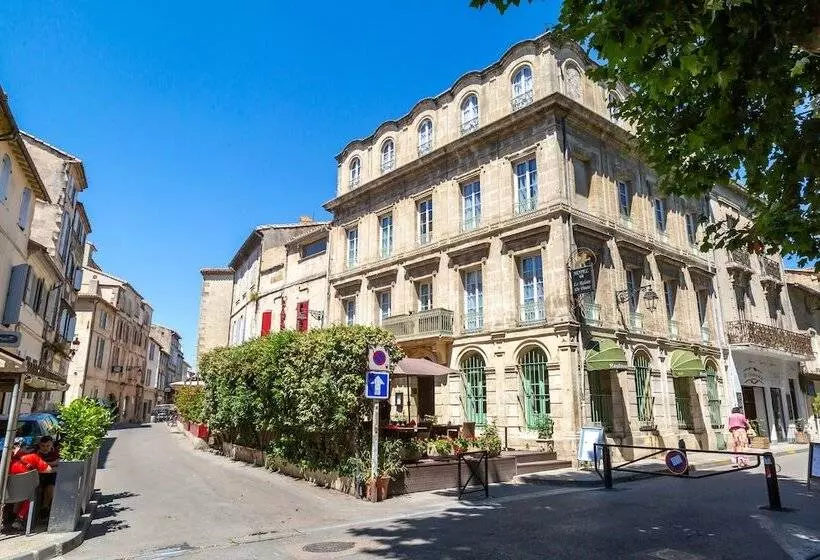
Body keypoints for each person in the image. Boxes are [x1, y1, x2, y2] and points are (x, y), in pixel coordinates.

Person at [7, 437, 53, 531]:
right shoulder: (32, 457)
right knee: (31, 492)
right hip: (24, 494)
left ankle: (10, 517)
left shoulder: (4, 460)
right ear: (25, 447)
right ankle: (20, 519)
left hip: (5, 495)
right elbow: (49, 470)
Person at [36, 436, 59, 517]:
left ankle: (45, 507)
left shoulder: (56, 452)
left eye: (48, 446)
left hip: (51, 475)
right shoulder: (36, 452)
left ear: (52, 444)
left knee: (50, 487)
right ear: (39, 445)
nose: (45, 448)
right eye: (43, 446)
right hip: (38, 475)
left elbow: (59, 463)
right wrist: (52, 465)